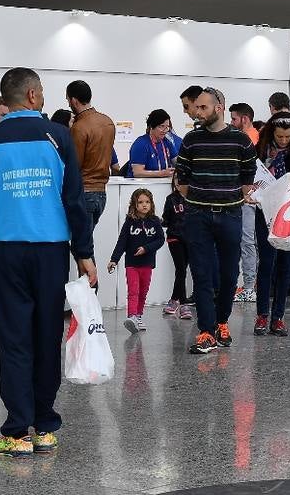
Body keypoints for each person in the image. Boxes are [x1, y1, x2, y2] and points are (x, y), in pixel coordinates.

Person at [0, 67, 96, 457]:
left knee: (13, 340)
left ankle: (15, 433)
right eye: (43, 91)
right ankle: (45, 428)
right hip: (51, 250)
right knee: (47, 335)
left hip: (5, 251)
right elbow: (73, 199)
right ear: (32, 95)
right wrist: (84, 253)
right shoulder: (59, 136)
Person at [174, 86, 256, 355]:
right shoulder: (191, 140)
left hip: (230, 215)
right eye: (196, 107)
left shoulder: (241, 141)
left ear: (218, 108)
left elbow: (248, 177)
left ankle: (222, 322)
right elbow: (182, 179)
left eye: (203, 107)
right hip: (198, 217)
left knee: (229, 274)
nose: (197, 112)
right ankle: (206, 331)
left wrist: (230, 198)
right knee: (201, 273)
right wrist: (198, 201)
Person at [252, 112, 290, 336]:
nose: (284, 140)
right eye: (280, 136)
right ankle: (261, 315)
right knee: (266, 263)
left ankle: (278, 317)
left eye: (288, 136)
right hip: (265, 211)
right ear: (272, 133)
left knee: (285, 265)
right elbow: (250, 177)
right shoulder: (260, 150)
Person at [108, 188, 165, 334]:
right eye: (140, 202)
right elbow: (122, 242)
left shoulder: (155, 222)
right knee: (133, 290)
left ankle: (138, 315)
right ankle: (132, 316)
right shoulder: (129, 222)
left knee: (143, 291)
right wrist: (114, 259)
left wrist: (146, 248)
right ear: (134, 204)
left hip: (147, 263)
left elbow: (160, 240)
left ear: (151, 204)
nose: (144, 205)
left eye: (147, 202)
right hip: (131, 264)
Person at [66, 79, 116, 226]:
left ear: (74, 100)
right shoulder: (108, 122)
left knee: (81, 244)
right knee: (86, 240)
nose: (68, 104)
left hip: (84, 192)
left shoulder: (79, 127)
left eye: (68, 100)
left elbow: (75, 165)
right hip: (102, 192)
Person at [229, 102, 261, 301]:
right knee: (248, 241)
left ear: (244, 119)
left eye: (234, 119)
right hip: (246, 195)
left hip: (248, 196)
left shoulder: (248, 139)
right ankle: (249, 285)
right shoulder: (252, 137)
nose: (231, 123)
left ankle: (249, 287)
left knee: (247, 241)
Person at [161, 188, 193, 320]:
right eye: (177, 179)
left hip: (191, 238)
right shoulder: (171, 199)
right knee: (180, 269)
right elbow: (166, 219)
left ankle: (174, 299)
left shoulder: (193, 197)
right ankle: (184, 303)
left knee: (183, 270)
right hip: (175, 237)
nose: (179, 182)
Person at [129, 109, 177, 179]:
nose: (165, 130)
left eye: (167, 127)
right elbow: (137, 172)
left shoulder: (167, 142)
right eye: (161, 126)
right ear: (152, 127)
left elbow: (177, 162)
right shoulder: (141, 144)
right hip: (142, 186)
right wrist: (161, 173)